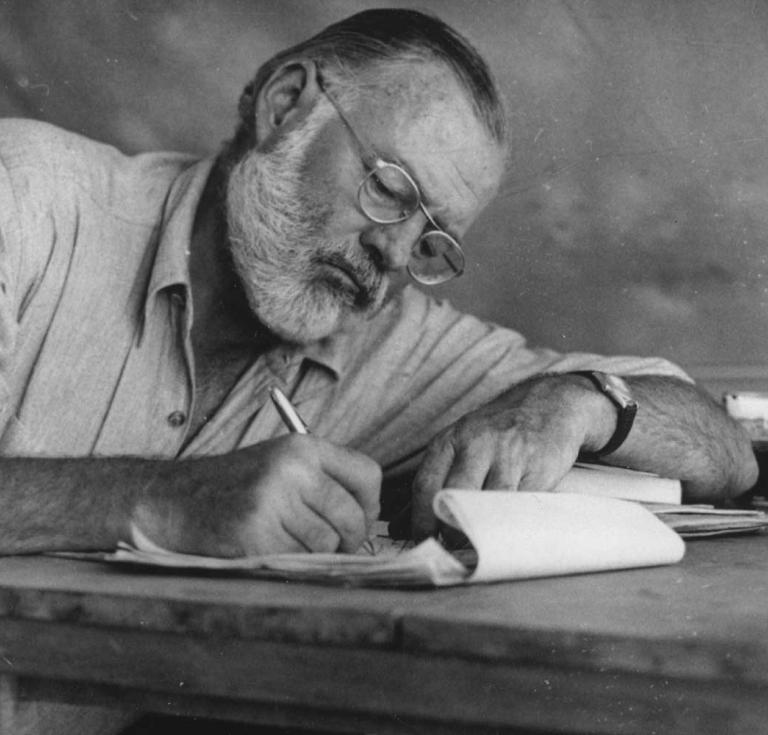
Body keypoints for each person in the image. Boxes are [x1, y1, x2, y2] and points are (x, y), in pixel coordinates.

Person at [0, 7, 756, 560]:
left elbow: (728, 452)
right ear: (285, 104)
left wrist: (580, 401)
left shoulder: (385, 338)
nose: (393, 253)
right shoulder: (25, 195)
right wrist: (164, 500)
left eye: (433, 239)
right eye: (390, 189)